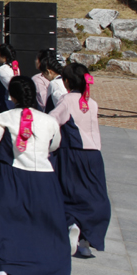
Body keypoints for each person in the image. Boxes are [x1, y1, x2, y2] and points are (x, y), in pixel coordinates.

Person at [0, 76, 70, 275]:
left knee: (7, 222)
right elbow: (55, 145)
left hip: (12, 177)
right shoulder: (49, 121)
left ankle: (3, 271)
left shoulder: (3, 118)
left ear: (12, 96)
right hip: (44, 179)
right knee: (47, 225)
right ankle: (49, 271)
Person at [49, 62, 111, 259]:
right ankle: (85, 240)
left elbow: (52, 120)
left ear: (66, 82)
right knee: (94, 196)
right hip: (94, 155)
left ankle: (72, 224)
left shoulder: (66, 100)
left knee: (68, 192)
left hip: (71, 153)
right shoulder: (92, 103)